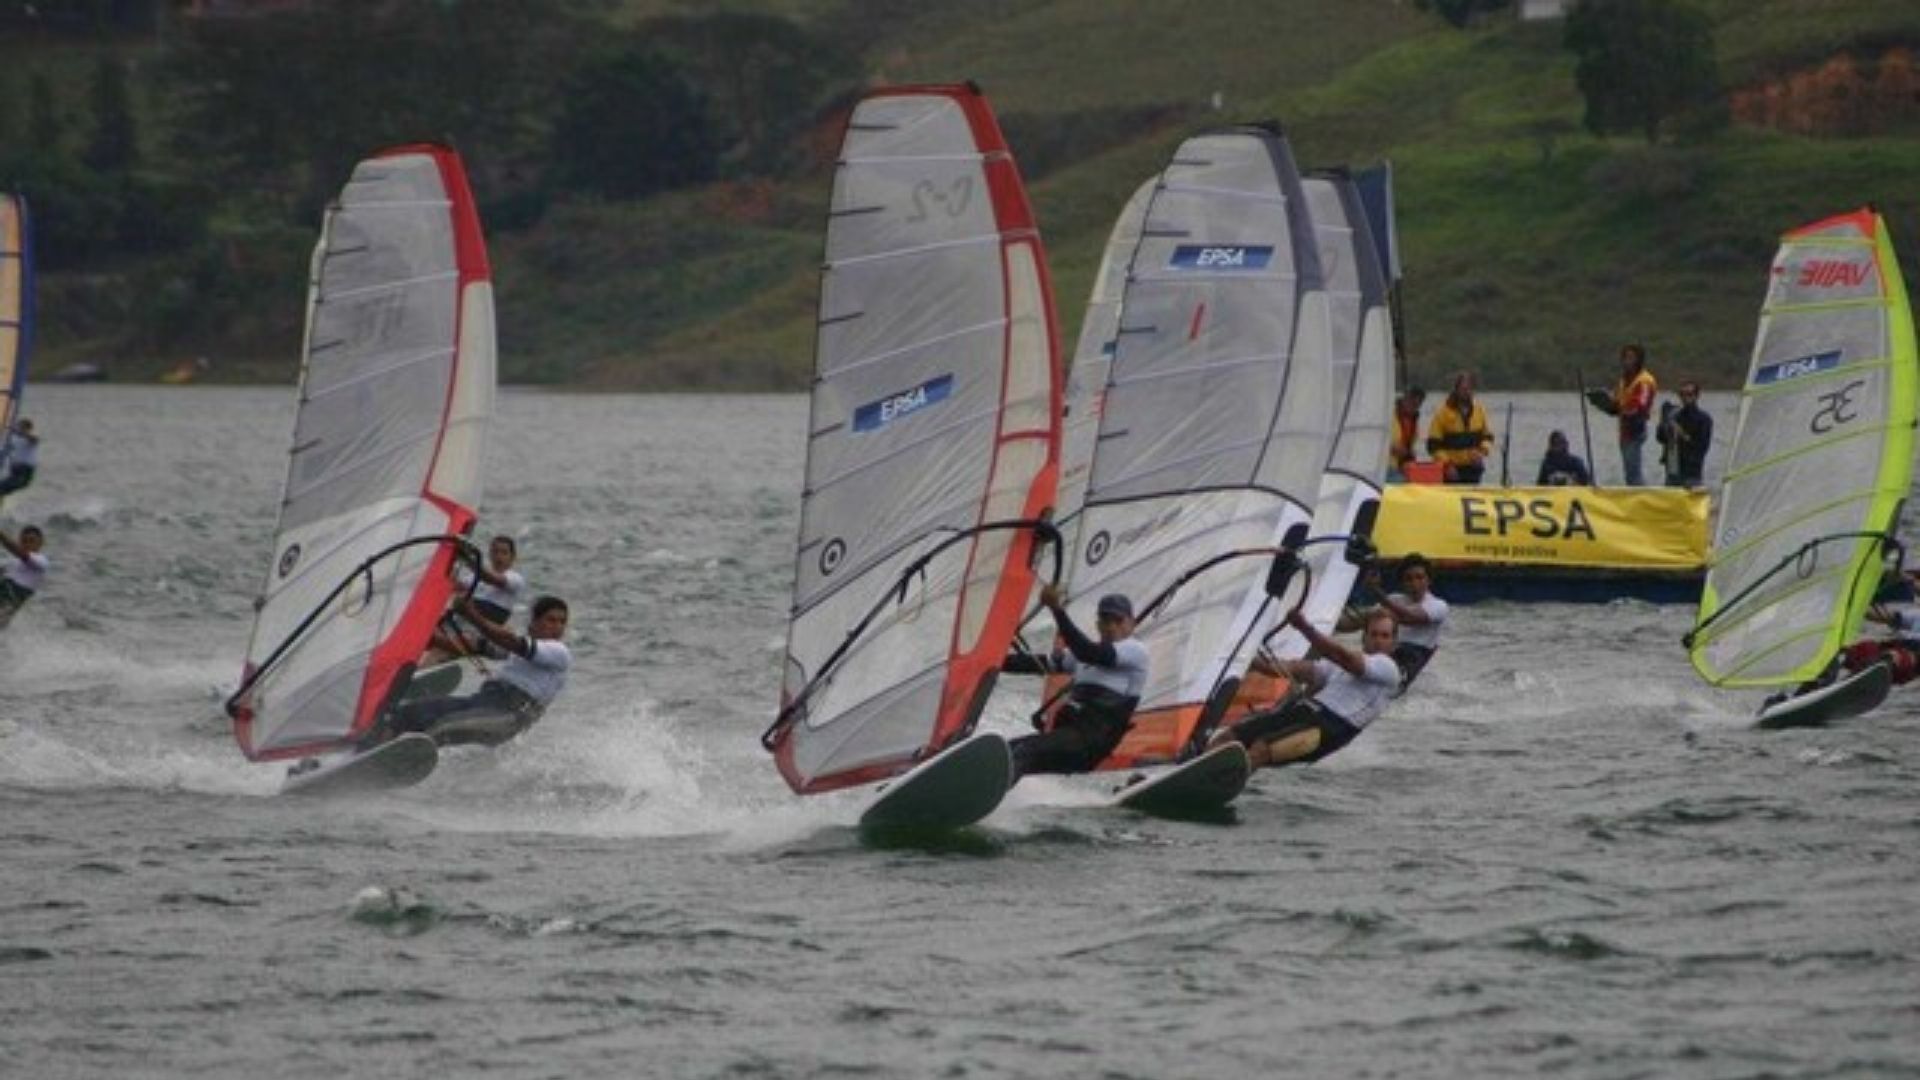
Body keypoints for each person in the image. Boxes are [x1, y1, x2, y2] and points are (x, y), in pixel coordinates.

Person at [1210, 607, 1402, 769]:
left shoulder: (1388, 669)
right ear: (1364, 637)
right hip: (1304, 711)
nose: (1378, 640)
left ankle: (1215, 782)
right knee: (1229, 736)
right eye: (1373, 634)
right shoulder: (1336, 667)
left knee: (1261, 749)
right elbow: (1294, 668)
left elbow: (1344, 657)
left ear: (1393, 643)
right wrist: (1244, 659)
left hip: (1330, 727)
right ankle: (1189, 766)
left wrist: (1305, 628)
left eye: (1385, 636)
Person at [379, 595, 571, 748]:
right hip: (482, 701)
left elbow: (509, 640)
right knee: (411, 712)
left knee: (438, 729)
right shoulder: (519, 650)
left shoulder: (558, 653)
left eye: (562, 622)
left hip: (510, 716)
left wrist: (471, 614)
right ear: (534, 623)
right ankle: (370, 745)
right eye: (551, 620)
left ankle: (388, 768)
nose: (557, 627)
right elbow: (476, 646)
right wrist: (430, 638)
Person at [1001, 586, 1149, 781]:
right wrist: (992, 662)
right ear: (1098, 624)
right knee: (1006, 753)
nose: (1111, 625)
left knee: (1022, 751)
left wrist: (1057, 610)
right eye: (1105, 620)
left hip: (1092, 741)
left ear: (1131, 623)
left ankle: (978, 797)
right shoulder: (1083, 658)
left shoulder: (1135, 651)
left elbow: (1088, 652)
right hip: (1070, 738)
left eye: (1118, 620)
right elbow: (1039, 663)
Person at [1342, 552, 1448, 690]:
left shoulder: (1438, 605)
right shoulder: (1394, 599)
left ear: (1429, 580)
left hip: (1409, 661)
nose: (1415, 583)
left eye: (1420, 577)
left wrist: (1376, 591)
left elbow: (1409, 617)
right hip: (1383, 652)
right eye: (1409, 579)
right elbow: (1358, 622)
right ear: (1402, 583)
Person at [428, 535, 526, 660]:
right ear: (490, 554)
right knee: (429, 635)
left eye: (504, 552)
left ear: (512, 557)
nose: (499, 557)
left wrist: (467, 557)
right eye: (495, 552)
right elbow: (449, 584)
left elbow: (490, 578)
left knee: (439, 646)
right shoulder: (472, 578)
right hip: (458, 624)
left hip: (480, 631)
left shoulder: (514, 579)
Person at [1585, 344, 1658, 486]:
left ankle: (1640, 499)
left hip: (1636, 428)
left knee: (1633, 474)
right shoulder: (1623, 381)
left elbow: (1640, 406)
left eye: (1631, 358)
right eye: (1625, 358)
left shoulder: (1645, 381)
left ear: (1639, 360)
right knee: (1629, 472)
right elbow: (1617, 405)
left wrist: (1623, 410)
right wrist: (1604, 404)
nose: (1627, 361)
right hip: (1624, 429)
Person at [1425, 373, 1493, 485]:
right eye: (1463, 389)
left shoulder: (1479, 410)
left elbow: (1488, 437)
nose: (1467, 392)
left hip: (1473, 469)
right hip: (1451, 470)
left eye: (1469, 389)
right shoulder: (1442, 413)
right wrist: (1447, 465)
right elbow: (1433, 446)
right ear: (1456, 390)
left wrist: (1482, 451)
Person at [1656, 380, 1713, 488]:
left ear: (1697, 396)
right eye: (1682, 394)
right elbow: (1660, 438)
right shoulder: (1674, 416)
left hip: (1691, 474)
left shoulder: (1704, 419)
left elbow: (1701, 448)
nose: (1685, 397)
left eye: (1689, 394)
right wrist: (1663, 423)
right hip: (1673, 470)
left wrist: (1682, 434)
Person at [0, 523, 47, 625]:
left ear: (40, 543)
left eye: (31, 540)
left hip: (13, 598)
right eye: (24, 541)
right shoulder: (13, 562)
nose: (27, 544)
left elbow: (14, 549)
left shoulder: (41, 560)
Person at [1389, 386, 1426, 477]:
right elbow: (1372, 441)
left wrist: (1410, 452)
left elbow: (1410, 444)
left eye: (1417, 405)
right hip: (1386, 467)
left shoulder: (1414, 420)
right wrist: (1391, 448)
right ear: (1405, 399)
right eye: (1412, 402)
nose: (1414, 407)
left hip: (1402, 466)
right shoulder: (1388, 414)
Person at [0, 419, 40, 499]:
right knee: (6, 487)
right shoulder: (13, 438)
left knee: (12, 486)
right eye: (19, 426)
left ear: (28, 429)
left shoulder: (31, 438)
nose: (19, 428)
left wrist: (21, 433)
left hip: (25, 469)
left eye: (22, 427)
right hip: (17, 468)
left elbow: (34, 439)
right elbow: (5, 450)